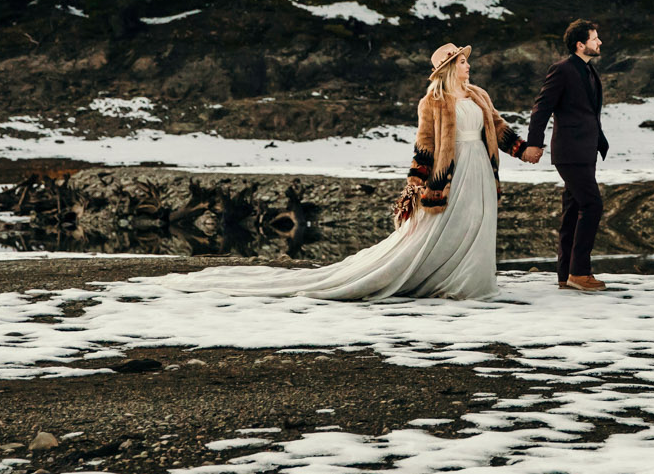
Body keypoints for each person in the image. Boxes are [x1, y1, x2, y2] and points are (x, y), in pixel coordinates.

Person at [160, 43, 530, 301]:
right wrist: (414, 187)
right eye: (463, 62)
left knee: (478, 223)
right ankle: (448, 279)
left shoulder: (478, 95)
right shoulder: (432, 100)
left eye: (467, 61)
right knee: (446, 228)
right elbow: (424, 146)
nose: (469, 66)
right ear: (449, 68)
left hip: (481, 168)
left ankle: (475, 282)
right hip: (450, 174)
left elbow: (497, 127)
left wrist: (522, 149)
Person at [525, 19, 609, 292]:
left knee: (573, 210)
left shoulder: (588, 71)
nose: (599, 42)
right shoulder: (562, 70)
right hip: (570, 151)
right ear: (580, 44)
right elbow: (541, 109)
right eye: (594, 39)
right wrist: (533, 144)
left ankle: (565, 274)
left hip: (586, 150)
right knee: (592, 205)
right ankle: (579, 273)